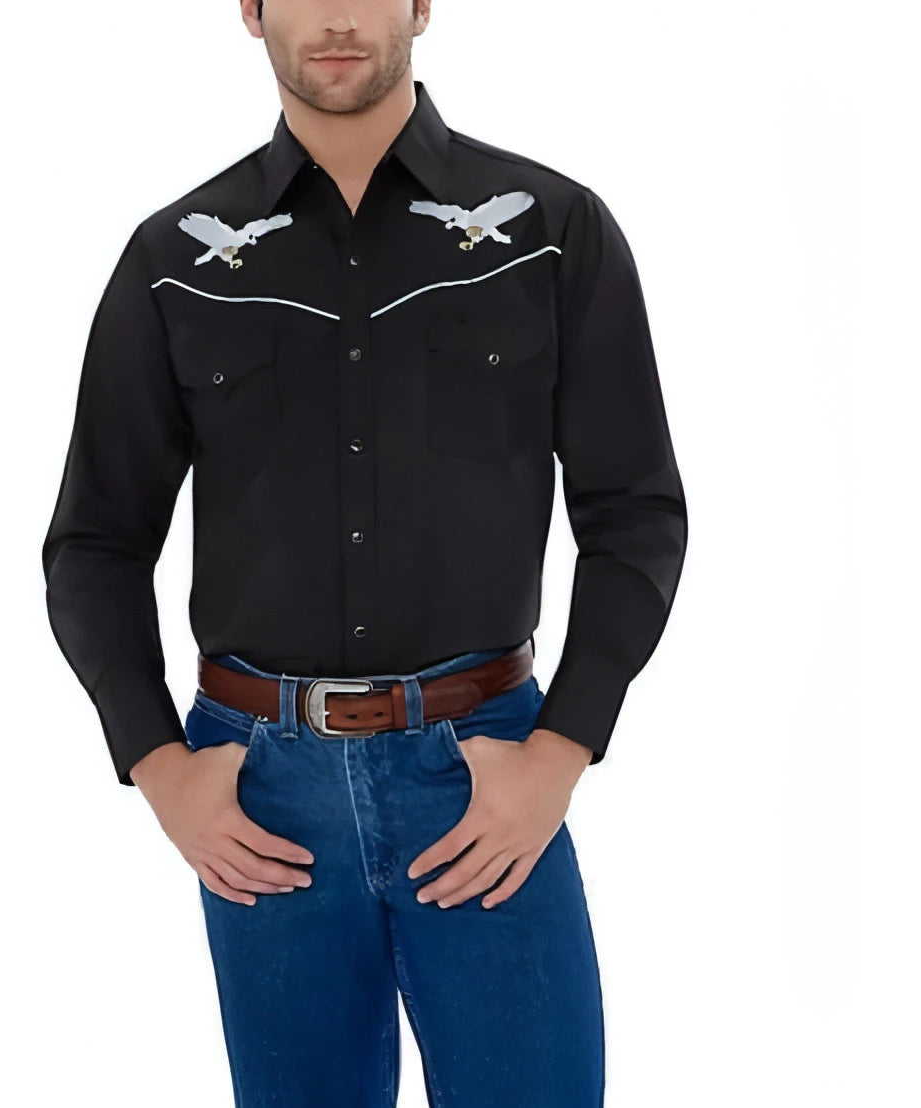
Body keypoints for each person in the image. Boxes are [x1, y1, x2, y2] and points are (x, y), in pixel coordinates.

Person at [41, 2, 688, 1104]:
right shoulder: (174, 259)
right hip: (259, 796)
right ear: (251, 10)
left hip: (484, 773)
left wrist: (560, 751)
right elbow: (95, 542)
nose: (337, 17)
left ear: (421, 3)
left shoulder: (552, 231)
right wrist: (159, 767)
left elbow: (635, 511)